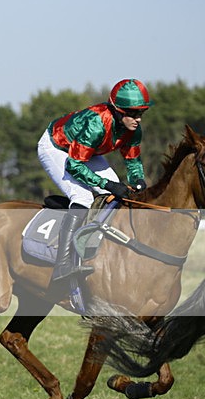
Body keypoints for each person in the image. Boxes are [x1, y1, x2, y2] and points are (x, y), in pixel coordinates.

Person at [37, 78, 153, 282]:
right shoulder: (97, 124)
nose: (138, 119)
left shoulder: (134, 130)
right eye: (133, 113)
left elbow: (133, 160)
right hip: (57, 147)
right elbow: (74, 165)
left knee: (115, 198)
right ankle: (62, 265)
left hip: (88, 152)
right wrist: (106, 184)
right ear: (118, 111)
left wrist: (138, 181)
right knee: (82, 196)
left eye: (141, 113)